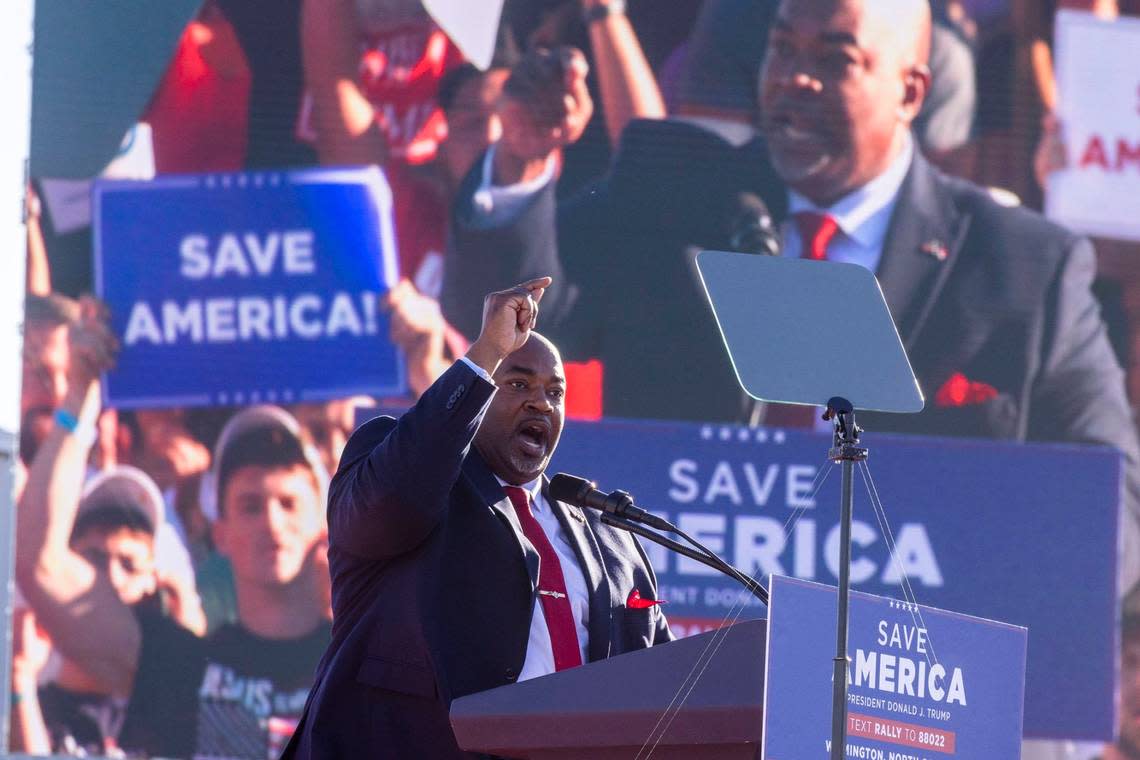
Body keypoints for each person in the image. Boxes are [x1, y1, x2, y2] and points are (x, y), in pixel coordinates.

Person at [281, 278, 671, 759]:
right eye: (517, 383)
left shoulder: (607, 533)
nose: (539, 402)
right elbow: (391, 502)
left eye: (555, 392)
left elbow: (661, 689)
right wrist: (486, 352)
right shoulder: (410, 474)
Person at [16, 297, 333, 760]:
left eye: (289, 502)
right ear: (217, 532)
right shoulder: (180, 666)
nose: (271, 520)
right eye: (249, 505)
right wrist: (82, 393)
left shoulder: (370, 655)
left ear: (326, 521)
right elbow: (36, 562)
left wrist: (434, 371)